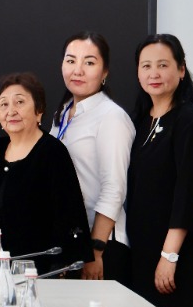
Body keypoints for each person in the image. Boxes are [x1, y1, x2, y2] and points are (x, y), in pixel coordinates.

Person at [124, 35, 193, 307]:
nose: (154, 73)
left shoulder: (188, 120)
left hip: (176, 255)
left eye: (163, 65)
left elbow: (187, 191)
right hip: (142, 252)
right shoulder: (139, 120)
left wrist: (169, 255)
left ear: (181, 70)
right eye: (146, 66)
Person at [0, 72, 90, 277]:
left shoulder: (52, 151)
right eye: (4, 104)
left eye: (19, 102)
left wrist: (60, 266)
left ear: (39, 111)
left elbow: (68, 214)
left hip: (42, 271)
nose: (11, 111)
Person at [51, 32, 134, 280]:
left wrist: (95, 250)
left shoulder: (111, 116)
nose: (77, 70)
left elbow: (114, 188)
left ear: (104, 71)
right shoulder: (62, 114)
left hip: (102, 245)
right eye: (71, 60)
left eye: (89, 62)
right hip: (71, 241)